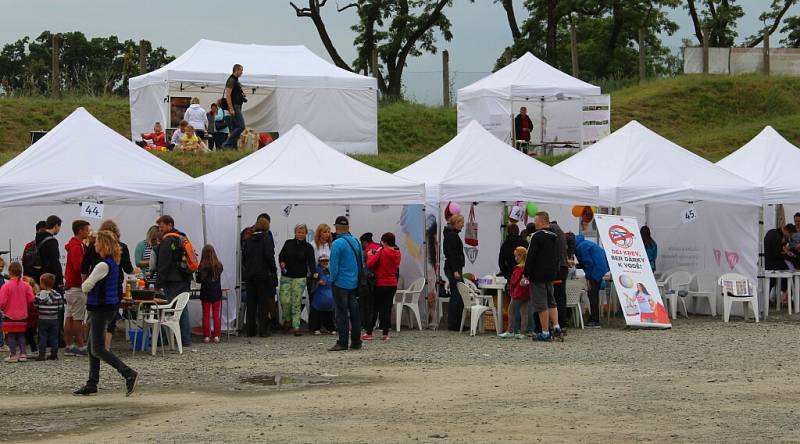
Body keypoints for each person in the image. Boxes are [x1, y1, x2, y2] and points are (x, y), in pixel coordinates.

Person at [74, 230, 138, 396]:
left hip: (100, 308)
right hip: (109, 307)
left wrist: (87, 283)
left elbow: (85, 286)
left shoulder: (102, 265)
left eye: (96, 242)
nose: (94, 244)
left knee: (98, 349)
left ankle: (128, 373)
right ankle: (92, 383)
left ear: (103, 244)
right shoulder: (113, 262)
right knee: (91, 347)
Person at [155, 215, 193, 346]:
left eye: (162, 227)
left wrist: (158, 283)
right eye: (159, 227)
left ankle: (168, 339)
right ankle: (185, 338)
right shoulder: (182, 237)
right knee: (182, 309)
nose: (160, 230)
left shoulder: (167, 241)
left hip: (172, 280)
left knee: (170, 309)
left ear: (170, 225)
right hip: (184, 277)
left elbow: (163, 264)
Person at [524, 212, 561, 342]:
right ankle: (556, 327)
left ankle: (545, 332)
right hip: (550, 274)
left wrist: (526, 273)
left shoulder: (537, 236)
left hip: (538, 274)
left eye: (536, 221)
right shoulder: (554, 236)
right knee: (551, 300)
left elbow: (531, 256)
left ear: (542, 221)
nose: (535, 223)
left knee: (541, 304)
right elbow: (558, 255)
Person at [328, 216, 363, 351]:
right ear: (348, 228)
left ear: (336, 228)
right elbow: (361, 263)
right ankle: (356, 342)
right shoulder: (356, 242)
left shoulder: (337, 243)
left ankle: (342, 342)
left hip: (340, 283)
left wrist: (332, 280)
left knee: (341, 314)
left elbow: (334, 266)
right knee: (355, 314)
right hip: (354, 283)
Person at [241, 216, 278, 337]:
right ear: (267, 227)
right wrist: (273, 269)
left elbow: (244, 258)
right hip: (262, 276)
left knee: (251, 303)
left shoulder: (249, 240)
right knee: (263, 304)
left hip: (250, 276)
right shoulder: (266, 239)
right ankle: (263, 330)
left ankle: (250, 331)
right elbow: (269, 256)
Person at [278, 224, 316, 336]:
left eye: (303, 232)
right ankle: (287, 320)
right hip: (286, 277)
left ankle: (296, 326)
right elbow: (281, 256)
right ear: (295, 233)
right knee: (285, 301)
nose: (300, 234)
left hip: (300, 279)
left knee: (296, 302)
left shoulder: (308, 247)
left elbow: (311, 262)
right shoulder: (288, 243)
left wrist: (314, 272)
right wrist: (282, 263)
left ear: (306, 234)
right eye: (298, 232)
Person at [364, 232, 401, 341]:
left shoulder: (382, 251)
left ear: (384, 242)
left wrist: (370, 254)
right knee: (387, 309)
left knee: (375, 308)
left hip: (380, 283)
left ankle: (369, 333)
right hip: (392, 283)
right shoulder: (397, 252)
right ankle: (385, 334)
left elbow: (370, 264)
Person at [64, 220, 90, 357]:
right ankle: (80, 346)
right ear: (80, 231)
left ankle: (69, 345)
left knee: (69, 316)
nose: (88, 232)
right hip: (76, 286)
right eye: (86, 230)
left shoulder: (75, 245)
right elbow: (79, 267)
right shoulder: (76, 247)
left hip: (70, 286)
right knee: (78, 318)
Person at [0, 262, 34, 362]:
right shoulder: (26, 285)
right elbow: (31, 299)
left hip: (9, 314)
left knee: (11, 335)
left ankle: (13, 355)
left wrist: (3, 309)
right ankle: (23, 354)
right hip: (23, 315)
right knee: (21, 335)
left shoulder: (6, 286)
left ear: (10, 272)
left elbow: (2, 302)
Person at [574, 234, 610, 328]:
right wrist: (577, 265)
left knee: (592, 294)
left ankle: (594, 321)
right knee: (594, 294)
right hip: (600, 268)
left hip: (596, 270)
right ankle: (594, 318)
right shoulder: (584, 243)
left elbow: (588, 263)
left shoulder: (580, 247)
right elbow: (587, 262)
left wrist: (588, 278)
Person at [196, 245, 224, 343]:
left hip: (205, 293)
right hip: (216, 292)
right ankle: (216, 336)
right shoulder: (219, 265)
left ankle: (206, 336)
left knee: (206, 315)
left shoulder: (201, 266)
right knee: (216, 315)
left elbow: (198, 281)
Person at [499, 246, 528, 339]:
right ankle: (523, 332)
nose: (515, 258)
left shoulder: (518, 268)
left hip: (517, 293)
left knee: (511, 311)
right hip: (526, 293)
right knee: (524, 312)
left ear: (520, 256)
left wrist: (510, 288)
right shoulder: (527, 267)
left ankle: (510, 330)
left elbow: (514, 281)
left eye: (516, 256)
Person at [443, 214, 466, 331]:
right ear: (456, 223)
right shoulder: (452, 236)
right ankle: (454, 323)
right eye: (461, 222)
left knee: (458, 295)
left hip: (453, 268)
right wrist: (456, 270)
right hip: (453, 269)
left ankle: (457, 322)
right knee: (457, 295)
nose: (463, 224)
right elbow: (452, 255)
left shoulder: (451, 235)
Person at [34, 273, 63, 361]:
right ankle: (54, 354)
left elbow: (35, 305)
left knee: (43, 336)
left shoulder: (39, 295)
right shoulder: (58, 295)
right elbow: (60, 307)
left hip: (42, 319)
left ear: (42, 283)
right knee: (54, 337)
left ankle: (42, 354)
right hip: (54, 319)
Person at [308, 254, 336, 335]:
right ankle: (316, 328)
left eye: (326, 260)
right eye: (323, 261)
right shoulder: (316, 270)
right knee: (317, 312)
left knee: (329, 313)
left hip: (330, 296)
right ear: (320, 261)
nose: (325, 262)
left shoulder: (330, 270)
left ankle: (331, 328)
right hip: (319, 295)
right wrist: (317, 281)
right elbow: (312, 280)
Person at [358, 232, 380, 331]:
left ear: (365, 242)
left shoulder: (365, 251)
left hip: (367, 281)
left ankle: (366, 325)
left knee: (365, 304)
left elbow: (363, 267)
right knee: (374, 304)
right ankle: (376, 324)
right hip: (379, 280)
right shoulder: (379, 247)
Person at [550, 221, 570, 330]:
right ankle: (563, 322)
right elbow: (571, 240)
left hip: (558, 268)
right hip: (564, 267)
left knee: (556, 297)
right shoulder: (562, 232)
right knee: (561, 296)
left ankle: (559, 323)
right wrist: (569, 255)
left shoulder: (552, 229)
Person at [35, 215, 63, 290]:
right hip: (50, 279)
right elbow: (55, 262)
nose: (59, 229)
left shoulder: (38, 238)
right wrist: (60, 280)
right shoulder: (51, 241)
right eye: (59, 227)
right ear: (56, 225)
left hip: (40, 277)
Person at [222, 64, 246, 148]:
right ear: (236, 70)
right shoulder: (231, 80)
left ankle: (232, 147)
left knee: (235, 128)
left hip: (238, 106)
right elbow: (228, 95)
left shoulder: (236, 80)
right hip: (235, 107)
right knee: (241, 126)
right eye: (241, 70)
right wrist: (231, 108)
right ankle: (226, 144)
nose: (242, 72)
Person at [498, 224, 527, 289]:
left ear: (508, 232)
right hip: (523, 276)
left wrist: (507, 275)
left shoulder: (505, 245)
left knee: (513, 296)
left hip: (511, 276)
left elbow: (501, 262)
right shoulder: (524, 243)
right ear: (518, 231)